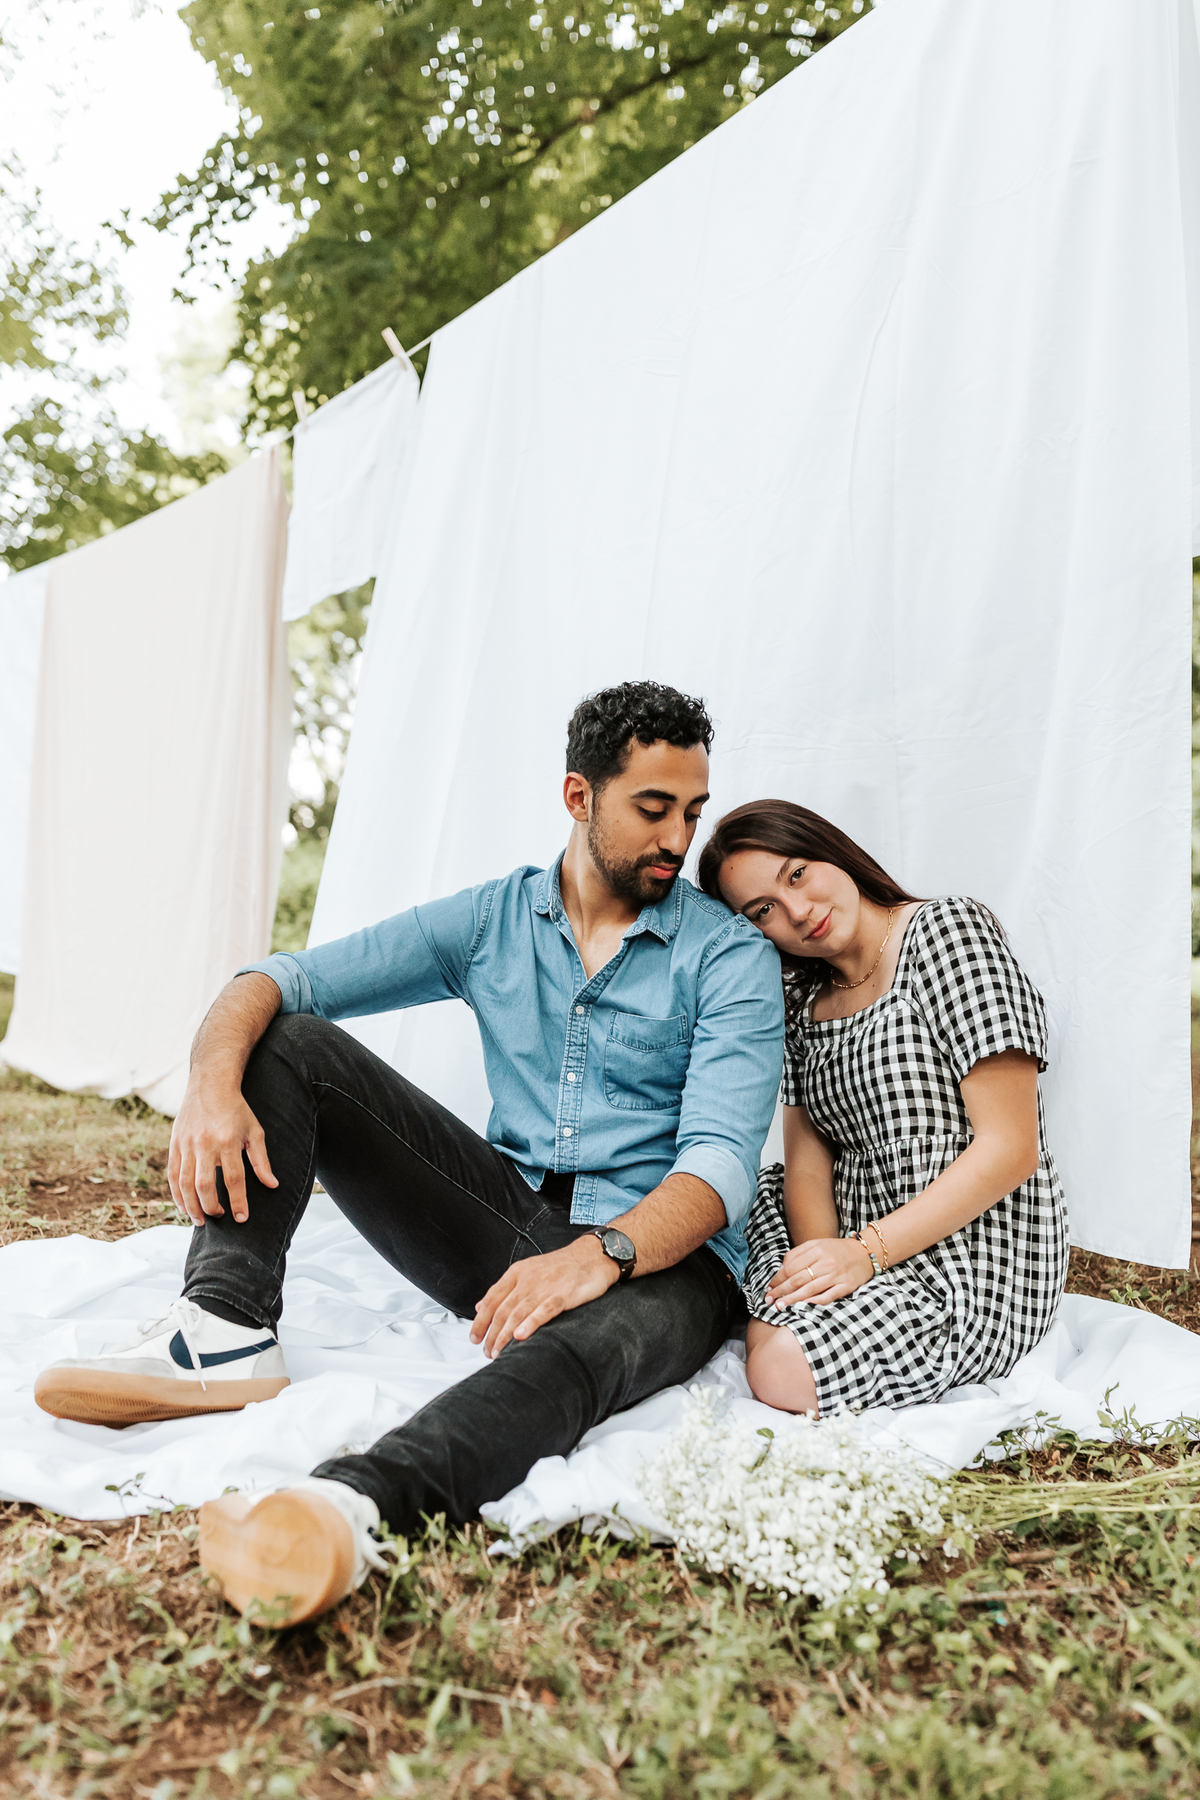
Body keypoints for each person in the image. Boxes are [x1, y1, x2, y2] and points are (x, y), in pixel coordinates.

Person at [35, 682, 783, 1623]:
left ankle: (345, 1507)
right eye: (653, 808)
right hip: (513, 1228)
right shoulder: (491, 921)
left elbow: (717, 1165)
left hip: (665, 1260)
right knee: (289, 1042)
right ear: (579, 799)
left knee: (568, 1363)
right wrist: (210, 1088)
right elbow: (278, 978)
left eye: (692, 812)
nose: (680, 839)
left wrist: (600, 1257)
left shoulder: (728, 957)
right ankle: (224, 1329)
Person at [696, 799, 1068, 1420]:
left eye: (797, 874)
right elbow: (807, 1159)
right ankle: (788, 1317)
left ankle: (777, 1325)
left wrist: (864, 1254)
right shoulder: (802, 996)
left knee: (779, 1366)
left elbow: (1011, 1147)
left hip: (972, 1243)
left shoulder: (946, 934)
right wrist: (828, 1271)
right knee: (716, 1203)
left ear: (831, 849)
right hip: (853, 1232)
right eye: (763, 911)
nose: (798, 911)